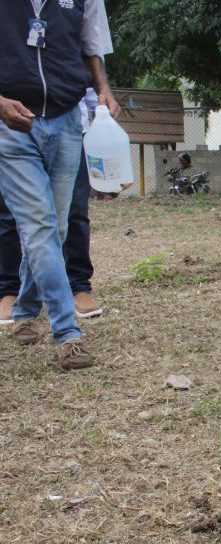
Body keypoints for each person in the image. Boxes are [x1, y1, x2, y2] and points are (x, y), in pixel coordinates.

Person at [0, 0, 119, 369]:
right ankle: (67, 334)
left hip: (67, 120)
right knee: (40, 227)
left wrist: (103, 90)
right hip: (11, 125)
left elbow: (91, 46)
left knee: (58, 227)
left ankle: (23, 311)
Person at [0, 88, 104, 327]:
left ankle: (77, 286)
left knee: (71, 216)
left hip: (71, 126)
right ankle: (11, 292)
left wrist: (99, 111)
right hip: (14, 124)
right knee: (11, 217)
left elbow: (89, 61)